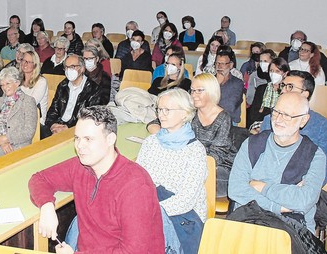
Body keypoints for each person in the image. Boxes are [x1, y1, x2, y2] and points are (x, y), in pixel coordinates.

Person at [29, 105, 164, 253]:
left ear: (110, 139)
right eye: (77, 138)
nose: (80, 146)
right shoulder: (81, 166)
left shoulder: (135, 186)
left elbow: (133, 251)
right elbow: (39, 179)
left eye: (88, 139)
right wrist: (47, 206)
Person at [229, 92, 326, 233]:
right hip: (248, 219)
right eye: (276, 112)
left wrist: (261, 186)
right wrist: (278, 207)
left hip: (292, 226)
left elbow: (304, 201)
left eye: (287, 115)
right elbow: (236, 189)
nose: (279, 119)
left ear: (303, 120)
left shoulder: (315, 155)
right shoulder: (252, 144)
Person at [137, 88, 207, 254]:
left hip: (183, 216)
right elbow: (137, 181)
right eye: (159, 109)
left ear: (184, 114)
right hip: (150, 208)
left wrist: (152, 211)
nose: (161, 114)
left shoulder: (195, 151)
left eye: (167, 110)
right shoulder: (151, 142)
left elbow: (186, 200)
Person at [148, 73, 237, 197]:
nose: (194, 95)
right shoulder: (191, 112)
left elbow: (216, 156)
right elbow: (155, 123)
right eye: (193, 90)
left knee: (178, 181)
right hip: (188, 162)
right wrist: (163, 136)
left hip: (217, 168)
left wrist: (184, 161)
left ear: (211, 91)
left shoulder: (223, 118)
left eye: (199, 91)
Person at [259, 70, 327, 184]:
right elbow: (259, 155)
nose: (283, 91)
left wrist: (307, 186)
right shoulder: (270, 119)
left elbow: (325, 166)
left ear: (305, 94)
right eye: (283, 86)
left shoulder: (322, 126)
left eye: (290, 87)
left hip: (302, 187)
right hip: (268, 182)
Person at [42, 54, 105, 138]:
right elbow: (53, 109)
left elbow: (88, 118)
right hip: (57, 126)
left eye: (72, 67)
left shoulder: (94, 89)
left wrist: (67, 128)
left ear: (82, 68)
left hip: (76, 129)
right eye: (66, 67)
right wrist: (53, 125)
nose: (68, 70)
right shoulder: (63, 85)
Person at [0, 67, 37, 157]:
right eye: (2, 85)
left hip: (18, 146)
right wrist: (0, 141)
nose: (5, 87)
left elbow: (29, 131)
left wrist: (6, 138)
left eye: (8, 83)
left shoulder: (28, 101)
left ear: (17, 83)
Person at [249, 57, 288, 129]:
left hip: (280, 125)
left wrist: (264, 110)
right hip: (259, 124)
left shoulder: (288, 91)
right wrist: (269, 111)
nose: (273, 74)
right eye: (271, 71)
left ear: (285, 74)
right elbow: (253, 115)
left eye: (277, 71)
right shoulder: (261, 89)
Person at [214, 48, 244, 124]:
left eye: (223, 63)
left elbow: (230, 107)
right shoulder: (209, 81)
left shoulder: (237, 83)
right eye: (217, 63)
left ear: (230, 65)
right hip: (209, 119)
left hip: (229, 122)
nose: (219, 66)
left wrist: (217, 85)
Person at [20, 50, 48, 125]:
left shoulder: (41, 81)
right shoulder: (17, 79)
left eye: (29, 62)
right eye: (24, 60)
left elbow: (31, 104)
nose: (25, 64)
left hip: (36, 121)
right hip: (19, 117)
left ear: (35, 65)